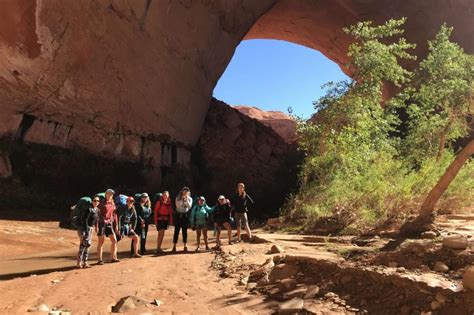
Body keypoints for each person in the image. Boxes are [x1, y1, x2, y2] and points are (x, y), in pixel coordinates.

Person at [97, 188, 119, 264]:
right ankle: (100, 260)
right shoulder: (101, 203)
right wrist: (96, 225)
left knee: (114, 240)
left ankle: (113, 257)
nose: (110, 195)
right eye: (108, 194)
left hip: (109, 223)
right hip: (102, 223)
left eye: (111, 194)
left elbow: (115, 214)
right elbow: (97, 214)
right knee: (101, 242)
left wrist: (116, 225)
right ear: (105, 194)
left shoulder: (112, 203)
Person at [76, 195, 99, 268]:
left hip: (91, 228)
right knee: (83, 245)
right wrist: (86, 230)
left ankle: (85, 262)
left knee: (88, 245)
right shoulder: (89, 209)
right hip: (86, 229)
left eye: (98, 201)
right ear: (92, 201)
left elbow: (96, 219)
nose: (96, 202)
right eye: (95, 200)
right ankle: (79, 263)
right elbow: (85, 220)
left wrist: (96, 227)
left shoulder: (97, 210)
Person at [173, 187, 192, 252]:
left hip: (185, 216)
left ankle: (185, 246)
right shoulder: (177, 198)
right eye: (184, 191)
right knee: (176, 231)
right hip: (178, 215)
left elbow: (189, 207)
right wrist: (182, 200)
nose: (185, 192)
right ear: (182, 191)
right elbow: (177, 206)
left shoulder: (190, 199)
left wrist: (185, 201)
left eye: (187, 191)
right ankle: (174, 246)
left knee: (185, 231)